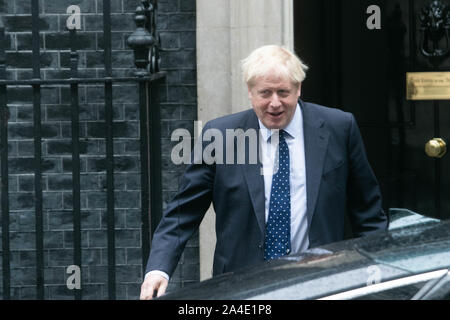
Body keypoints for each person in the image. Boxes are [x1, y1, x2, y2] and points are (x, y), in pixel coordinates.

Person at [140, 45, 388, 299]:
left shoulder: (339, 128)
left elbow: (367, 212)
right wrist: (158, 269)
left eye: (283, 92)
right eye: (265, 93)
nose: (275, 103)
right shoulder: (221, 136)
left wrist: (377, 274)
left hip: (320, 283)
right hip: (241, 287)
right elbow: (183, 213)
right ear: (250, 92)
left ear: (299, 88)